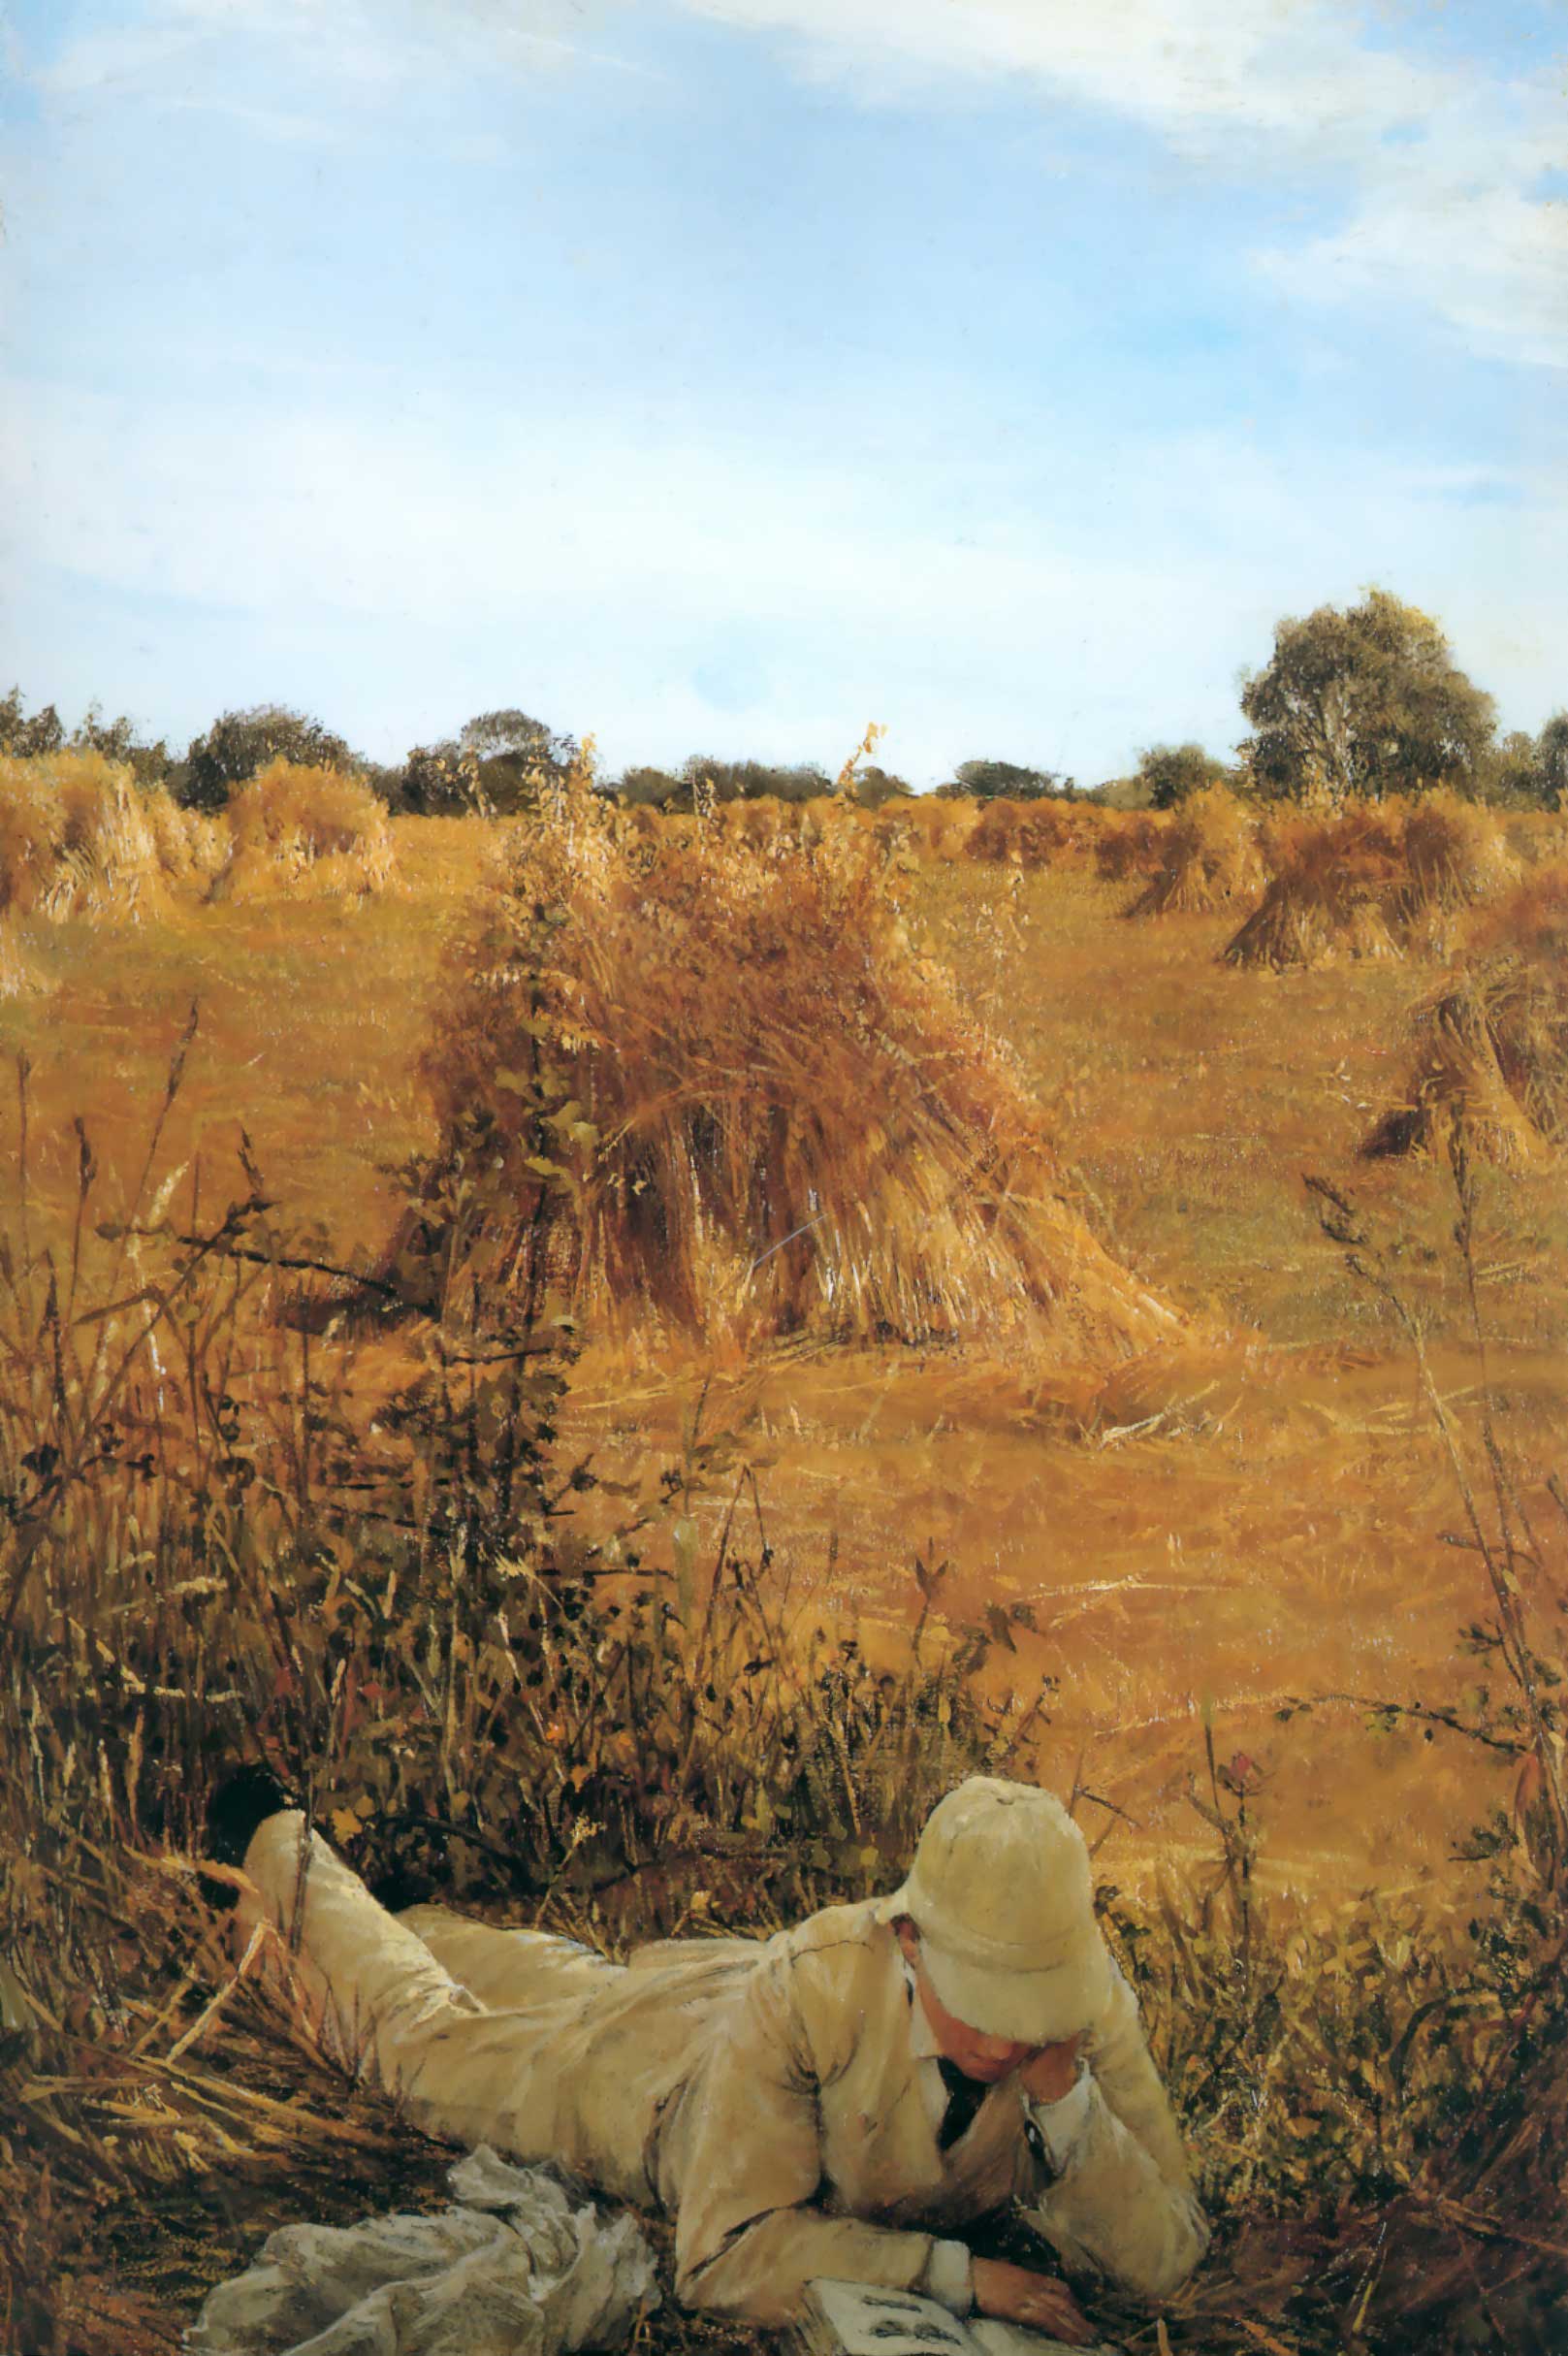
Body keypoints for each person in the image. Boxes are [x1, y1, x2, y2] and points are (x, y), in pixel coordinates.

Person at [221, 1771, 1208, 2339]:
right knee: (423, 2045)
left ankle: (410, 1914)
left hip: (706, 2008)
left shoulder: (1075, 2007)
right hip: (653, 2084)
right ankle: (268, 1829)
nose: (1004, 2036)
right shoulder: (820, 1983)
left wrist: (1070, 2100)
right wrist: (955, 2273)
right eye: (982, 2002)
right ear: (910, 1941)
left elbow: (1174, 2251)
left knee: (567, 1980)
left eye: (1026, 2006)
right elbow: (724, 2253)